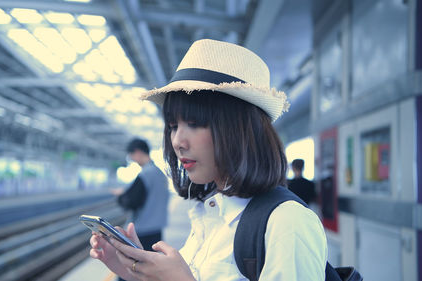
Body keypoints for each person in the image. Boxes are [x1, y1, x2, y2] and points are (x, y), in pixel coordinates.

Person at [90, 39, 327, 281]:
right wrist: (136, 274)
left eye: (194, 124)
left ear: (240, 128)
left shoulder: (287, 222)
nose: (177, 141)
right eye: (173, 126)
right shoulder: (209, 212)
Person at [115, 138, 170, 281]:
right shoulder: (160, 174)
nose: (132, 159)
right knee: (150, 271)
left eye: (131, 156)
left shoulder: (145, 174)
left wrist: (121, 196)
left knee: (130, 271)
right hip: (156, 230)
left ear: (138, 153)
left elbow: (131, 201)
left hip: (141, 231)